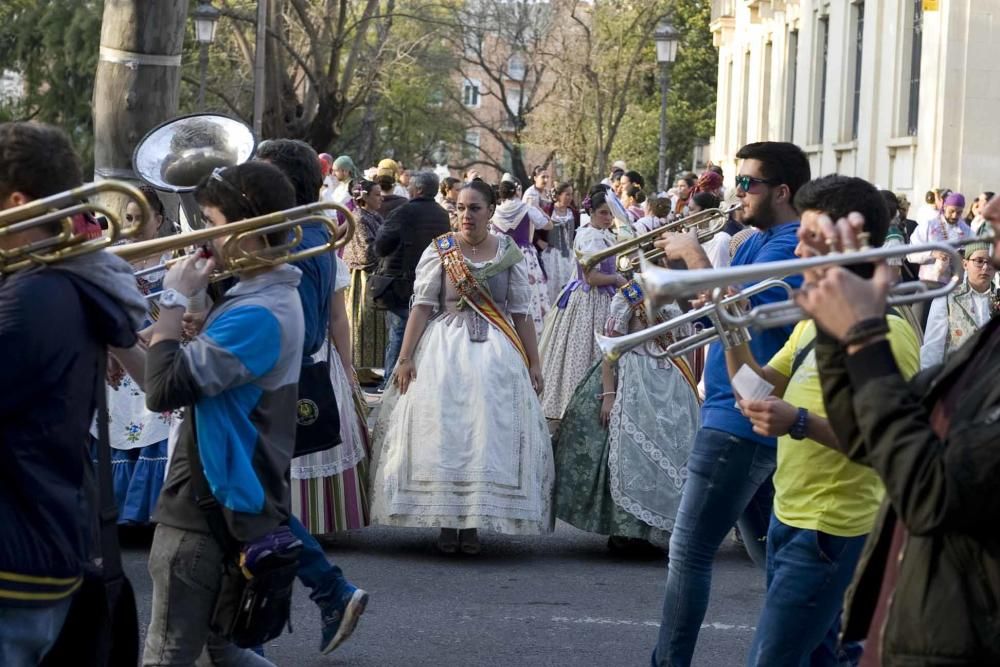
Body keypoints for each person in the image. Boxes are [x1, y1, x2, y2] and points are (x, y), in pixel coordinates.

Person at [791, 186, 1000, 667]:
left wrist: (866, 337)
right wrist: (833, 318)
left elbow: (931, 493)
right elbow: (870, 436)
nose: (986, 211)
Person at [722, 175, 922, 666]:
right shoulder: (815, 321)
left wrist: (797, 422)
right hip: (790, 515)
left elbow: (885, 448)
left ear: (845, 242)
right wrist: (729, 326)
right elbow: (756, 388)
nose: (797, 252)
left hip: (831, 529)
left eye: (810, 238)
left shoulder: (888, 334)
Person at [650, 141, 811, 667]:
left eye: (748, 183)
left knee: (689, 552)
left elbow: (738, 307)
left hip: (740, 417)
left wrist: (695, 256)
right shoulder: (750, 242)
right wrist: (672, 282)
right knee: (777, 562)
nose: (735, 191)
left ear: (781, 192)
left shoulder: (790, 245)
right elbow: (710, 315)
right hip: (738, 409)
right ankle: (811, 651)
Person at [0, 121, 145, 665]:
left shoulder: (35, 296)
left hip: (15, 560)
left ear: (16, 201)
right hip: (36, 539)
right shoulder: (51, 282)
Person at [369, 180, 553, 555]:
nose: (465, 215)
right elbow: (421, 307)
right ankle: (447, 521)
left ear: (490, 211)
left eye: (474, 208)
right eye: (460, 208)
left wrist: (534, 361)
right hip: (444, 350)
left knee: (486, 433)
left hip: (496, 353)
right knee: (446, 431)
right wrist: (404, 358)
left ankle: (472, 523)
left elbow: (521, 313)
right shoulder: (441, 251)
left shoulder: (508, 253)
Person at [255, 139, 369, 654]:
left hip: (274, 385)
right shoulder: (311, 233)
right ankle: (320, 592)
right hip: (292, 381)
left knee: (249, 497)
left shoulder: (296, 238)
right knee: (251, 499)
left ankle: (324, 589)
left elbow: (289, 330)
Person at [553, 279, 699, 551]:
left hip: (669, 380)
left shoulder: (674, 290)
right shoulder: (628, 296)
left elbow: (681, 342)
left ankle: (646, 531)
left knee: (664, 452)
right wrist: (609, 394)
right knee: (628, 454)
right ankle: (624, 531)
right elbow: (611, 348)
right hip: (633, 376)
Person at [101, 185, 177, 525]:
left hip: (157, 346)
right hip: (119, 346)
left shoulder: (172, 256)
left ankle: (148, 510)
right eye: (128, 219)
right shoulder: (113, 255)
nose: (133, 226)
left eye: (141, 219)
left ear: (158, 220)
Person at [539, 187, 627, 420]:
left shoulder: (604, 233)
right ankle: (578, 407)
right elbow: (592, 278)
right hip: (591, 300)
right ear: (591, 213)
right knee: (585, 355)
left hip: (603, 298)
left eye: (610, 213)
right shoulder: (590, 236)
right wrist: (618, 279)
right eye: (602, 213)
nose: (608, 218)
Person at [373, 170, 451, 392]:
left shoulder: (404, 211)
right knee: (424, 334)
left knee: (398, 333)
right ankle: (419, 381)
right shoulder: (442, 215)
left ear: (417, 189)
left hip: (402, 282)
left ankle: (391, 383)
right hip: (433, 281)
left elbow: (381, 246)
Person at [920, 241, 997, 368]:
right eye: (979, 261)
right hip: (959, 378)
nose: (985, 267)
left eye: (991, 262)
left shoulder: (997, 297)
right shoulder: (947, 298)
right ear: (965, 264)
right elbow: (933, 348)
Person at [492, 180, 552, 335]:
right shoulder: (527, 208)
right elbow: (547, 225)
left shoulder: (495, 213)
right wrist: (539, 208)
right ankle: (534, 329)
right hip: (525, 255)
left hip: (504, 255)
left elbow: (493, 236)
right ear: (516, 192)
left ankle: (508, 329)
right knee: (530, 291)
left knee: (507, 292)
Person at [343, 178, 388, 386]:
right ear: (365, 197)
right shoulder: (359, 218)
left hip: (373, 274)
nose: (381, 198)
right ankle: (358, 368)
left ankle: (366, 367)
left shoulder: (374, 216)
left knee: (373, 324)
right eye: (377, 194)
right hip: (361, 276)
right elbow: (365, 252)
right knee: (360, 322)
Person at [907, 191, 973, 329]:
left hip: (954, 288)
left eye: (959, 212)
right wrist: (932, 253)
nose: (955, 216)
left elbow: (973, 253)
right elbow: (910, 254)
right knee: (918, 328)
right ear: (944, 207)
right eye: (952, 211)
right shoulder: (928, 226)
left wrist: (961, 257)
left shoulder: (966, 230)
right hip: (928, 286)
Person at [541, 182, 578, 304]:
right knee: (552, 287)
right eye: (567, 194)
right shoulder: (548, 209)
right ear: (558, 195)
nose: (570, 198)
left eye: (571, 195)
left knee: (569, 285)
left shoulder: (573, 212)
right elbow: (535, 226)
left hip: (570, 255)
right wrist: (538, 241)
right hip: (552, 256)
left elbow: (576, 233)